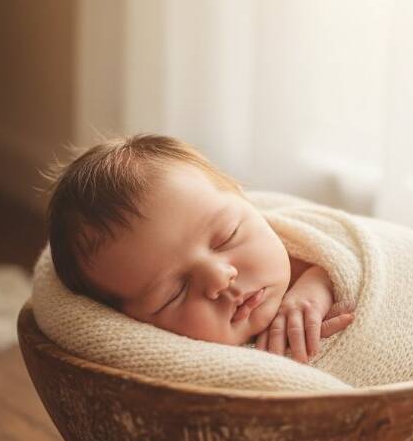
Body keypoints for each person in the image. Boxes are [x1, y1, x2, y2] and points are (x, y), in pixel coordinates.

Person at [44, 134, 354, 364]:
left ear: (244, 199)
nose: (220, 278)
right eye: (174, 293)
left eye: (226, 237)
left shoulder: (299, 247)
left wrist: (319, 282)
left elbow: (350, 253)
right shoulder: (192, 371)